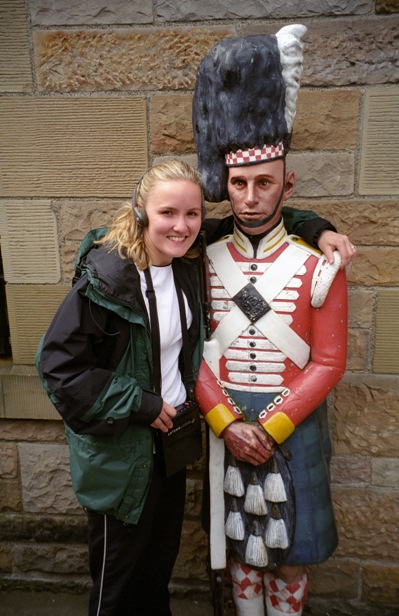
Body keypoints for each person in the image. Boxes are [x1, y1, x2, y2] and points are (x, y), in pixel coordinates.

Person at [193, 25, 348, 616]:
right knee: (237, 551)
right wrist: (228, 423)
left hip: (294, 423)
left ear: (289, 184)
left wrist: (274, 425)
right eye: (239, 183)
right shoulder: (200, 259)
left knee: (289, 553)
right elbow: (193, 352)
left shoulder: (320, 262)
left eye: (265, 182)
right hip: (225, 420)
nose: (252, 196)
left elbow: (330, 361)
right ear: (226, 187)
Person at [36, 159, 206, 616]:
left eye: (193, 214)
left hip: (168, 448)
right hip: (120, 456)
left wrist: (320, 228)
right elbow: (59, 367)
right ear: (141, 209)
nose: (182, 225)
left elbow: (257, 217)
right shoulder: (108, 280)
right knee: (117, 586)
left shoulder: (185, 265)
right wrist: (140, 403)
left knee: (155, 575)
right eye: (168, 212)